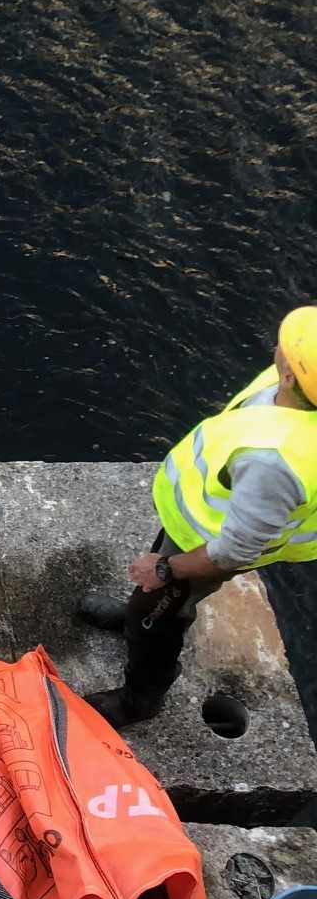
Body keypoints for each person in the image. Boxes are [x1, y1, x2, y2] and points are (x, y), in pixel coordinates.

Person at [80, 307, 317, 728]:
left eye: (285, 346)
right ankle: (139, 613)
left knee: (157, 618)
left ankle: (142, 698)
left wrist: (167, 569)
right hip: (195, 522)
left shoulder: (274, 463)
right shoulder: (298, 392)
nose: (276, 345)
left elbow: (236, 548)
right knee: (150, 601)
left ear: (289, 377)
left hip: (207, 543)